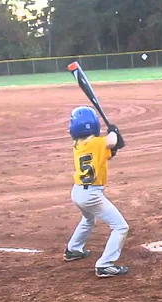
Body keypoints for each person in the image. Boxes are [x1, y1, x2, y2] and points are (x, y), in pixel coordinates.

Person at [64, 106, 129, 278]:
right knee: (121, 227)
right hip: (92, 195)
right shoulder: (98, 142)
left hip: (78, 192)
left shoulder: (78, 144)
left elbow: (107, 151)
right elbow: (111, 141)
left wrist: (114, 143)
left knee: (88, 220)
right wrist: (114, 130)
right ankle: (105, 265)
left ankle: (73, 249)